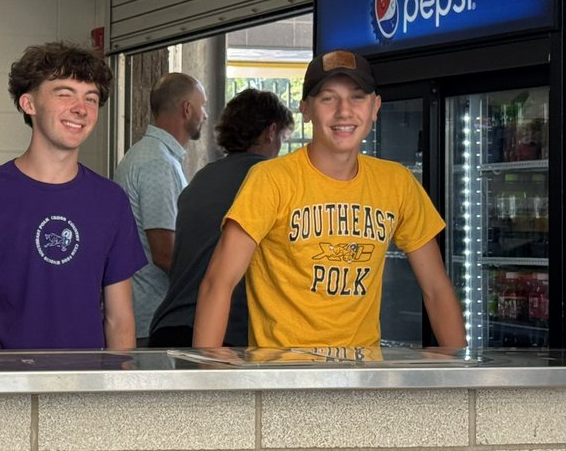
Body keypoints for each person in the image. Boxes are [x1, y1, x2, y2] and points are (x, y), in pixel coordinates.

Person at [193, 49, 466, 349]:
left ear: (376, 107)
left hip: (361, 381)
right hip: (285, 380)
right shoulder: (271, 180)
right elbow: (217, 283)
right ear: (306, 109)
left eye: (357, 97)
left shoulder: (397, 183)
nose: (344, 111)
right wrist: (207, 375)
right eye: (328, 98)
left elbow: (437, 289)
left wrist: (466, 379)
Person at [0, 41, 145, 351]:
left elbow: (119, 319)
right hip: (1, 387)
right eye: (64, 94)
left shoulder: (110, 201)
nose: (81, 108)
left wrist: (118, 391)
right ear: (28, 104)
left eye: (91, 98)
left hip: (84, 388)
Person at [148, 89, 294, 348]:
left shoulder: (202, 178)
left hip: (169, 327)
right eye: (282, 137)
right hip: (225, 334)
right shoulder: (268, 180)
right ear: (271, 131)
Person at [113, 72, 208, 345]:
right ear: (187, 109)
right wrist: (209, 289)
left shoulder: (150, 155)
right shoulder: (158, 163)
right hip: (151, 319)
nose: (205, 115)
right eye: (202, 106)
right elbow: (165, 253)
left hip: (143, 316)